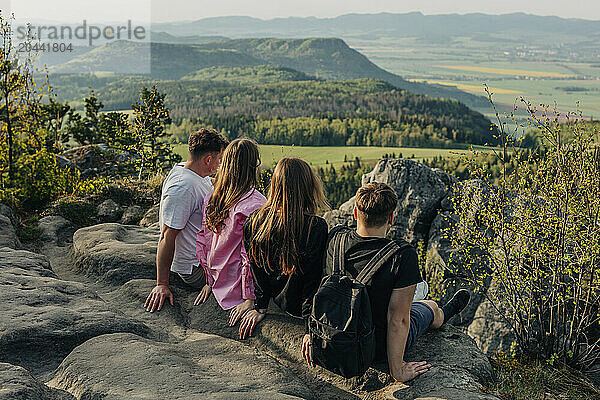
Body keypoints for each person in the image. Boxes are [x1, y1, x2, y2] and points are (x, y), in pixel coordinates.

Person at [304, 182, 470, 382]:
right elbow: (398, 320)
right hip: (376, 349)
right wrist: (397, 369)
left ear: (355, 213)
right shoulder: (401, 255)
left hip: (334, 336)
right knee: (430, 307)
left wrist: (313, 333)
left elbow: (319, 287)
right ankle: (442, 313)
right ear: (391, 218)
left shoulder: (336, 238)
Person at [238, 157, 329, 339]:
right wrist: (310, 328)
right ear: (308, 186)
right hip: (299, 310)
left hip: (275, 303)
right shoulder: (315, 226)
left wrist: (261, 307)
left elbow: (257, 271)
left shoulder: (255, 221)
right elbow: (312, 280)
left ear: (275, 185)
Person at [145, 128, 229, 312]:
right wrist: (162, 284)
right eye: (220, 160)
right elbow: (167, 236)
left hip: (204, 255)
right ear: (208, 159)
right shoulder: (183, 188)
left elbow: (209, 184)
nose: (220, 164)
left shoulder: (190, 169)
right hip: (195, 267)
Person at [195, 138, 266, 327]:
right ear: (253, 166)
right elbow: (250, 257)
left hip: (219, 281)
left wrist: (210, 282)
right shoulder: (256, 204)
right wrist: (250, 299)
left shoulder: (212, 197)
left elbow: (205, 243)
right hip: (238, 290)